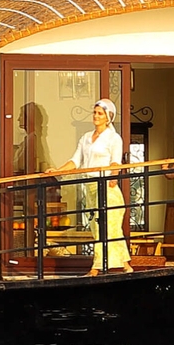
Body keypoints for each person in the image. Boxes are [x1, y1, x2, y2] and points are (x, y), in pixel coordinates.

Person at [51, 98, 130, 275]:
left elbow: (115, 162)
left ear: (108, 117)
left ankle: (96, 268)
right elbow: (75, 160)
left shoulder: (114, 138)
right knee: (98, 228)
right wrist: (58, 170)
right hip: (90, 187)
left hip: (107, 187)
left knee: (107, 227)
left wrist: (113, 177)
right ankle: (126, 265)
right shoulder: (86, 138)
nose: (96, 116)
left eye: (100, 113)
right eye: (94, 112)